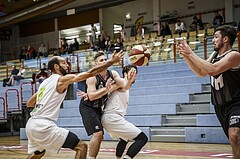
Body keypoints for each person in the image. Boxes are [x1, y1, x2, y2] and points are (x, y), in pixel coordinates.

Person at [25, 51, 124, 159]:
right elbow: (90, 73)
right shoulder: (61, 80)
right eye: (63, 63)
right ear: (56, 66)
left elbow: (29, 103)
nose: (67, 65)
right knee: (82, 147)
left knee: (39, 153)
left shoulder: (44, 83)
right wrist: (112, 61)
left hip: (31, 124)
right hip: (43, 125)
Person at [177, 25, 240, 158]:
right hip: (220, 107)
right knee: (234, 141)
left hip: (236, 103)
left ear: (225, 39)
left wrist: (190, 53)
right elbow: (201, 72)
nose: (213, 40)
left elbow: (212, 69)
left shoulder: (234, 55)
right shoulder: (214, 55)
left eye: (216, 37)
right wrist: (186, 56)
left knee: (235, 136)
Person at [79, 51, 128, 159]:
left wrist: (129, 80)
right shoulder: (92, 77)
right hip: (88, 107)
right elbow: (91, 96)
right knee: (98, 134)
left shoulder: (112, 74)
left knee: (102, 135)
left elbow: (123, 84)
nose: (104, 61)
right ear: (96, 64)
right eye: (101, 60)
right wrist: (106, 89)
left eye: (105, 59)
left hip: (99, 108)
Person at [102, 64, 148, 159]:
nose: (133, 75)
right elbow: (124, 85)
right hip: (112, 118)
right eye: (131, 72)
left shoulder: (124, 86)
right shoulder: (121, 84)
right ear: (124, 74)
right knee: (142, 138)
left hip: (110, 118)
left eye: (135, 73)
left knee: (124, 139)